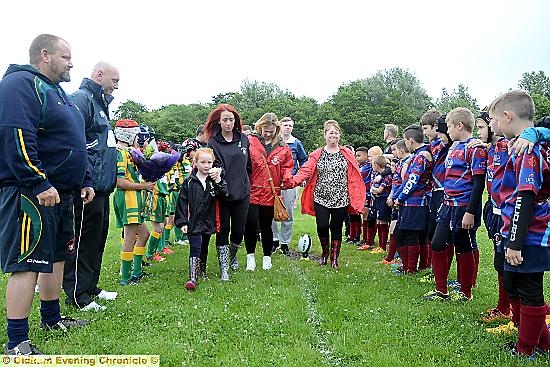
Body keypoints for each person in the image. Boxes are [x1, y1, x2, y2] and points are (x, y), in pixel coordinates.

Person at [0, 34, 91, 355]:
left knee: (56, 258)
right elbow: (15, 134)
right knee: (27, 264)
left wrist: (85, 178)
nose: (71, 63)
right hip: (32, 192)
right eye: (66, 57)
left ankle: (51, 319)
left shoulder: (58, 93)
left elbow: (74, 141)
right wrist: (37, 181)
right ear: (45, 55)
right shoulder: (21, 84)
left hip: (62, 192)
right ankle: (16, 343)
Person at [491, 91, 550, 357]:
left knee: (530, 290)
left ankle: (526, 349)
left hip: (531, 234)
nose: (493, 126)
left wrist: (515, 242)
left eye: (494, 120)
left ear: (508, 116)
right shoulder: (518, 145)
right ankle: (544, 342)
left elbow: (525, 198)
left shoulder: (529, 150)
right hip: (516, 231)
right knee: (514, 283)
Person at [63, 61, 120, 312]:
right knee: (83, 240)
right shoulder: (82, 99)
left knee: (97, 239)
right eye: (114, 80)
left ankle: (90, 286)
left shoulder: (101, 104)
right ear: (99, 75)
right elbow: (73, 140)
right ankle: (77, 294)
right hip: (88, 187)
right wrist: (85, 180)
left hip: (103, 186)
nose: (117, 86)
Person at [424, 108, 486, 301]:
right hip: (447, 204)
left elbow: (478, 183)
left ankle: (466, 292)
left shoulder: (475, 149)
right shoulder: (453, 147)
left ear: (460, 126)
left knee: (463, 246)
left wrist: (470, 211)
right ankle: (441, 290)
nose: (447, 131)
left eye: (450, 126)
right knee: (437, 243)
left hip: (463, 206)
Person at [291, 120, 365, 269]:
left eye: (336, 133)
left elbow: (355, 175)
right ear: (325, 135)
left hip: (341, 198)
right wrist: (292, 181)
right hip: (321, 197)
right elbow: (305, 170)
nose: (334, 135)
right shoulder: (317, 154)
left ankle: (334, 258)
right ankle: (325, 253)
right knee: (322, 226)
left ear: (339, 136)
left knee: (336, 227)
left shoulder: (347, 154)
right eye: (331, 133)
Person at [205, 104, 251, 280]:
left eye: (231, 119)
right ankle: (224, 267)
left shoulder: (243, 139)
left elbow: (248, 165)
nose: (228, 123)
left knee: (239, 230)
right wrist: (217, 172)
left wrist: (247, 182)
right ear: (219, 121)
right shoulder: (213, 142)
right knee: (223, 229)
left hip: (242, 192)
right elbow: (213, 165)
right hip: (223, 192)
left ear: (235, 121)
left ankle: (232, 255)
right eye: (225, 120)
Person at [244, 113, 293, 270]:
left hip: (271, 192)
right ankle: (250, 257)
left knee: (266, 226)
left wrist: (286, 178)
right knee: (250, 225)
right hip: (252, 190)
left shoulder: (282, 147)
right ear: (260, 127)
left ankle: (267, 257)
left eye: (271, 131)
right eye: (265, 130)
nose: (268, 133)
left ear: (277, 129)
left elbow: (287, 166)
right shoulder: (250, 142)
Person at [175, 148, 227, 290]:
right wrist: (183, 221)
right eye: (203, 162)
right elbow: (182, 203)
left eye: (209, 162)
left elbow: (224, 195)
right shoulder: (189, 182)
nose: (206, 165)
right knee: (195, 247)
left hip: (208, 220)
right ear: (195, 163)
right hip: (193, 221)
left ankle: (202, 270)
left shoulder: (213, 181)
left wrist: (219, 181)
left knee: (204, 247)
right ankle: (193, 277)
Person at [112, 119, 154, 286]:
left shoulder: (130, 152)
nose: (139, 138)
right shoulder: (119, 153)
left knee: (144, 234)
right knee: (130, 237)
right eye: (137, 134)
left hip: (135, 197)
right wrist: (142, 185)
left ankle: (137, 271)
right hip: (128, 197)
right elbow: (119, 181)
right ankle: (126, 278)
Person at [393, 125, 433, 275]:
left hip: (415, 202)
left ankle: (410, 269)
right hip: (415, 201)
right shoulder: (419, 154)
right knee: (416, 235)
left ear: (410, 140)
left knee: (406, 235)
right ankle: (421, 266)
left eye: (405, 140)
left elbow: (413, 180)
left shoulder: (421, 156)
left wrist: (400, 198)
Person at [271, 117, 308, 255]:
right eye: (285, 125)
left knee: (288, 213)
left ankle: (285, 243)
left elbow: (304, 161)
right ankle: (274, 240)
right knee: (271, 212)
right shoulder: (274, 141)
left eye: (290, 125)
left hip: (289, 183)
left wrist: (299, 177)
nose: (288, 127)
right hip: (273, 183)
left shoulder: (296, 143)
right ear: (280, 126)